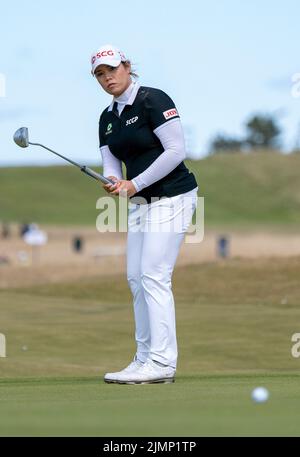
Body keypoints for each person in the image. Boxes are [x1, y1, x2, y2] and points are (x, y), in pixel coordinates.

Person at [92, 44, 198, 384]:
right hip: (140, 204)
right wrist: (113, 181)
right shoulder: (107, 118)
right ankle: (143, 359)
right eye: (100, 74)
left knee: (154, 275)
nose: (107, 77)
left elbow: (176, 150)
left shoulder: (154, 100)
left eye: (112, 69)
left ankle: (163, 363)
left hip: (173, 196)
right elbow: (111, 162)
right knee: (136, 279)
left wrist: (134, 183)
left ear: (126, 66)